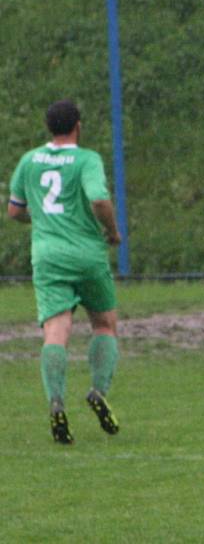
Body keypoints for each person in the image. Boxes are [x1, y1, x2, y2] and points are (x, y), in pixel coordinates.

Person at [8, 100, 122, 444]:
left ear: (48, 127)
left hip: (48, 257)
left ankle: (56, 400)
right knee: (104, 324)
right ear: (78, 125)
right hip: (86, 254)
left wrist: (40, 220)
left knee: (55, 332)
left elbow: (14, 211)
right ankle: (98, 391)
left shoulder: (29, 161)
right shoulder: (86, 159)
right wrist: (113, 232)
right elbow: (99, 199)